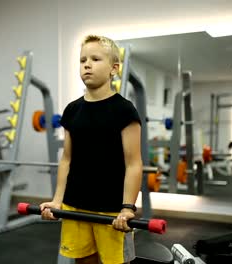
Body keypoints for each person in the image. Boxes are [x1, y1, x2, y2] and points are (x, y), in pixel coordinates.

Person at [40, 35, 143, 264]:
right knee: (83, 261)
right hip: (75, 204)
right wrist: (57, 201)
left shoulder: (124, 110)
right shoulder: (72, 110)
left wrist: (127, 207)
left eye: (95, 59)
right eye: (83, 59)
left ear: (113, 68)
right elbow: (67, 159)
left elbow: (133, 163)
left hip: (111, 210)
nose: (87, 64)